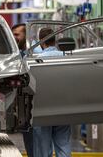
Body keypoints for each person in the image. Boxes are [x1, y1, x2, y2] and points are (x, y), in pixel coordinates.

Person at [33, 27, 71, 157]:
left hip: (42, 108)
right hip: (64, 107)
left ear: (41, 42)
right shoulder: (67, 57)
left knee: (43, 148)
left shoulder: (36, 59)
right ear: (55, 41)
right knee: (63, 144)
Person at [11, 23, 33, 157]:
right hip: (23, 106)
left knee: (39, 143)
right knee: (29, 140)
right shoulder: (15, 54)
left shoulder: (36, 53)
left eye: (17, 34)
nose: (14, 38)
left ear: (27, 35)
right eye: (12, 34)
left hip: (36, 104)